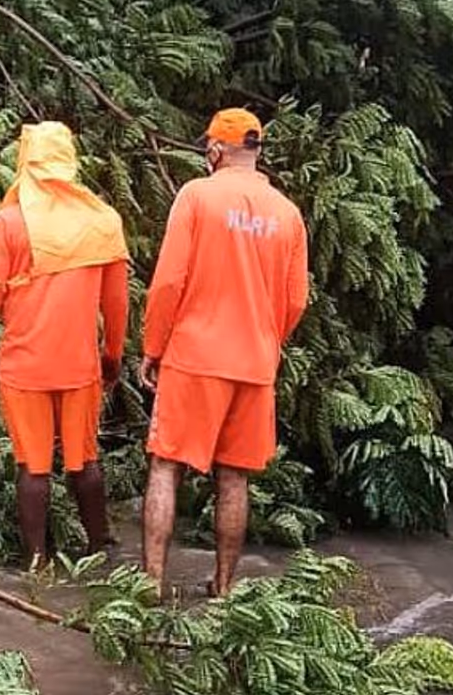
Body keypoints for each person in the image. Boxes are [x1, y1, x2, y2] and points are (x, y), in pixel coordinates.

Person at [138, 108, 309, 598]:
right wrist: (265, 339)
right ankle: (225, 587)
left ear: (214, 150)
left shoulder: (197, 196)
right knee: (234, 476)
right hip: (255, 362)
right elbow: (296, 300)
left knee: (166, 464)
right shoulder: (287, 214)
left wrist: (152, 347)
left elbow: (169, 281)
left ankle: (151, 585)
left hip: (194, 355)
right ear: (256, 152)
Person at [0, 121, 130, 569]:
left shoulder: (9, 223)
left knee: (33, 467)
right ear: (70, 159)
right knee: (84, 461)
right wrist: (112, 357)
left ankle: (36, 562)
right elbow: (117, 304)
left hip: (24, 369)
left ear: (25, 161)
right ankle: (100, 547)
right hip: (80, 366)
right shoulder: (103, 221)